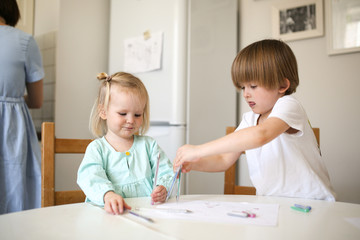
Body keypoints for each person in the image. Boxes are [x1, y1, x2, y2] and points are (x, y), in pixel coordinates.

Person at [174, 39, 336, 201]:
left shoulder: (289, 105)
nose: (245, 94)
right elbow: (223, 159)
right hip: (273, 204)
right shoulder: (249, 119)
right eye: (243, 87)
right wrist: (195, 163)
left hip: (313, 202)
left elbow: (261, 135)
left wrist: (198, 150)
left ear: (282, 85)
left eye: (253, 86)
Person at [77, 72, 174, 215]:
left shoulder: (149, 145)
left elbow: (166, 171)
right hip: (109, 217)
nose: (131, 120)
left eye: (137, 115)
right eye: (123, 114)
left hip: (147, 215)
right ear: (103, 112)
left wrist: (163, 188)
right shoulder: (97, 149)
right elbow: (89, 177)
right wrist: (107, 194)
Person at [0, 0, 44, 214]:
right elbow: (37, 100)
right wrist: (12, 99)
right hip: (11, 126)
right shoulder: (24, 40)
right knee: (14, 191)